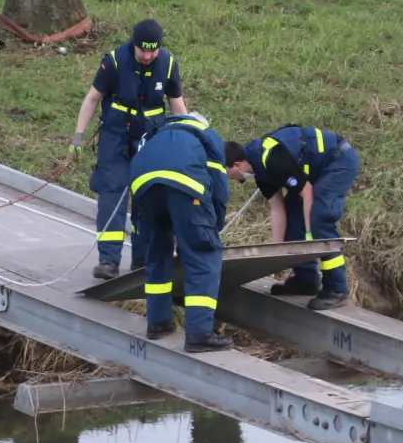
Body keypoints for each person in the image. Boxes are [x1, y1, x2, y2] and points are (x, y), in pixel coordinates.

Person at [72, 19, 187, 280]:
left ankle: (143, 259)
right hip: (116, 136)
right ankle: (109, 260)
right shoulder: (113, 62)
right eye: (142, 50)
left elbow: (177, 106)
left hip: (152, 137)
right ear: (133, 44)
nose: (147, 56)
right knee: (112, 191)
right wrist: (78, 135)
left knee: (149, 196)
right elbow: (92, 98)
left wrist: (190, 139)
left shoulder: (168, 64)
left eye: (153, 51)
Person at [225, 125, 360, 310]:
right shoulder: (260, 172)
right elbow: (278, 209)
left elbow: (307, 193)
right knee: (292, 219)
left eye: (227, 173)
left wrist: (311, 236)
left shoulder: (271, 159)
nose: (229, 178)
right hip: (313, 174)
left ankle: (336, 289)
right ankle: (306, 281)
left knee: (319, 219)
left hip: (337, 161)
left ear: (237, 165)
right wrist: (275, 253)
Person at [129, 113, 232, 354]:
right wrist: (212, 229)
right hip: (186, 185)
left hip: (144, 188)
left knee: (157, 253)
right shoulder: (207, 135)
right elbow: (218, 185)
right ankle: (199, 334)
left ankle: (158, 323)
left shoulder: (156, 136)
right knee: (203, 254)